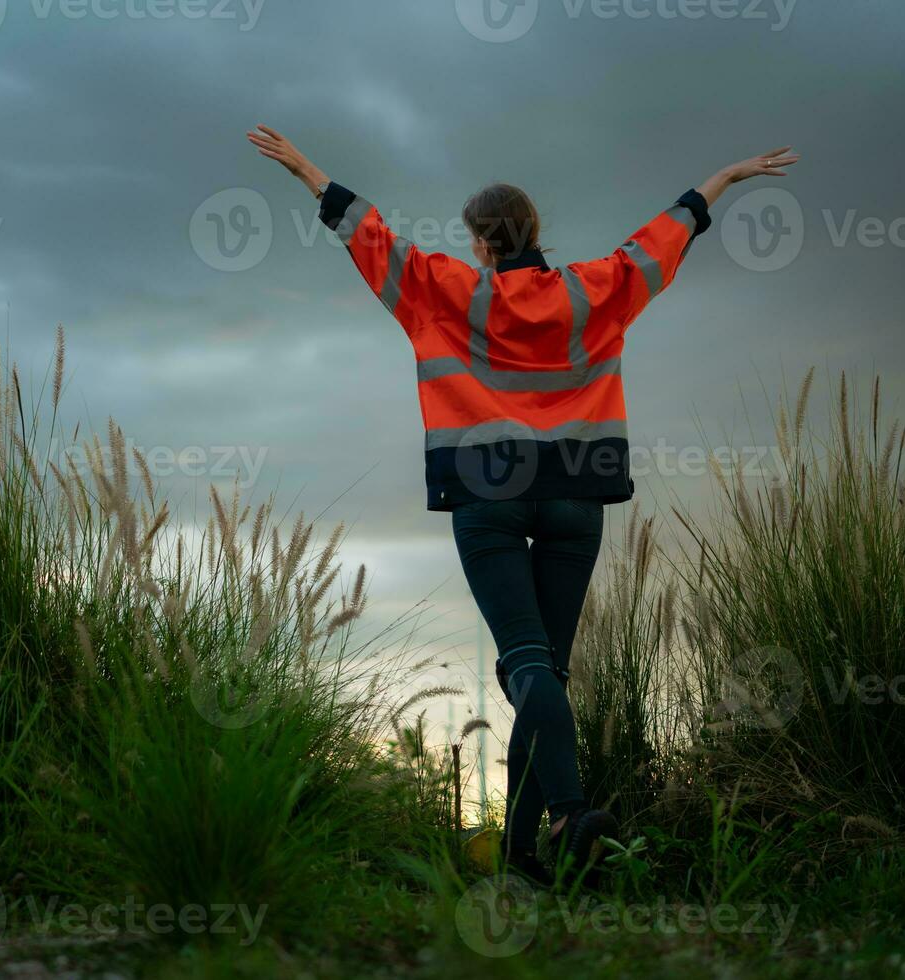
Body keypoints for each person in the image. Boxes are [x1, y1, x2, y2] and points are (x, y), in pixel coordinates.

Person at [247, 124, 799, 880]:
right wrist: (724, 178)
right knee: (548, 675)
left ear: (481, 242)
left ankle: (569, 817)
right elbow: (662, 239)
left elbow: (374, 238)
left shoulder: (447, 289)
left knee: (528, 664)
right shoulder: (594, 288)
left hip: (488, 494)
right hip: (576, 494)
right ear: (534, 231)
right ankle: (519, 857)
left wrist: (310, 171)